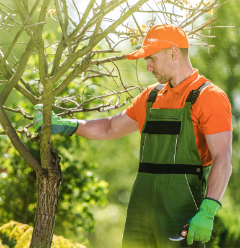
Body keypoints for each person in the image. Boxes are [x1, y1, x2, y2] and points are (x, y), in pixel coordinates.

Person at [33, 24, 232, 248]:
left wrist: (209, 209)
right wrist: (68, 124)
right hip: (140, 210)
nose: (148, 67)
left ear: (174, 52)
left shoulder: (208, 97)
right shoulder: (151, 96)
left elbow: (222, 158)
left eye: (152, 59)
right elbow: (110, 127)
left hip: (180, 211)